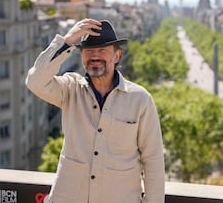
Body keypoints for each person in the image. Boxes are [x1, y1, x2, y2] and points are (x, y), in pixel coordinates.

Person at [26, 18, 165, 203]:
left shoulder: (141, 99)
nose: (95, 56)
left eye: (102, 50)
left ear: (117, 56)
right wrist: (66, 41)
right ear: (82, 56)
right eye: (89, 51)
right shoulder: (70, 89)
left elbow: (153, 159)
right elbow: (35, 82)